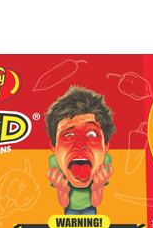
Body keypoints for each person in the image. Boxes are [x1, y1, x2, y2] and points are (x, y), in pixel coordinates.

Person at [45, 85, 115, 215]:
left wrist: (97, 188)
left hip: (90, 209)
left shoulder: (105, 163)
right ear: (53, 147)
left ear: (105, 146)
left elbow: (96, 203)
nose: (80, 145)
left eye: (91, 134)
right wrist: (63, 191)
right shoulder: (55, 163)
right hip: (70, 210)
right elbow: (64, 203)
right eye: (68, 134)